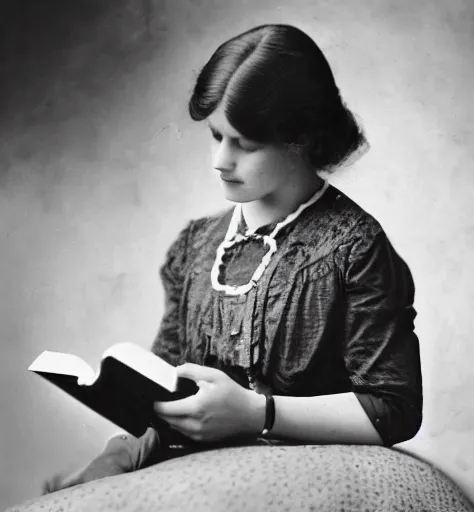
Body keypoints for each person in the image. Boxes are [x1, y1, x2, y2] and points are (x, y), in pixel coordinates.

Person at [43, 23, 422, 494]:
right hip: (191, 474)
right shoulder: (197, 245)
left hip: (311, 479)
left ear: (301, 138)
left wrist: (257, 413)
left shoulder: (354, 246)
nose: (221, 161)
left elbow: (395, 409)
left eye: (245, 143)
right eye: (216, 136)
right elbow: (167, 379)